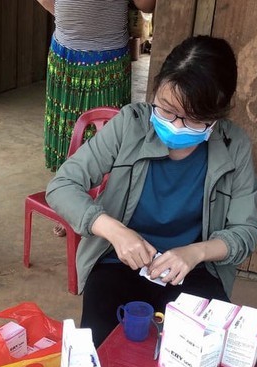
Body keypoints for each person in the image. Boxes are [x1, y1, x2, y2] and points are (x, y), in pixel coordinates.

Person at [46, 35, 257, 347]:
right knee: (98, 356)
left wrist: (196, 252)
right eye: (166, 109)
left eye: (193, 118)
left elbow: (246, 231)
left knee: (200, 356)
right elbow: (63, 185)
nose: (175, 125)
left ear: (217, 115)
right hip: (117, 262)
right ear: (156, 92)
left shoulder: (234, 146)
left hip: (193, 270)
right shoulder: (130, 124)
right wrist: (116, 231)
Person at [37, 0, 155, 235]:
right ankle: (71, 205)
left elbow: (147, 5)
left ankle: (105, 210)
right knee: (69, 135)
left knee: (105, 137)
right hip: (65, 54)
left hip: (107, 60)